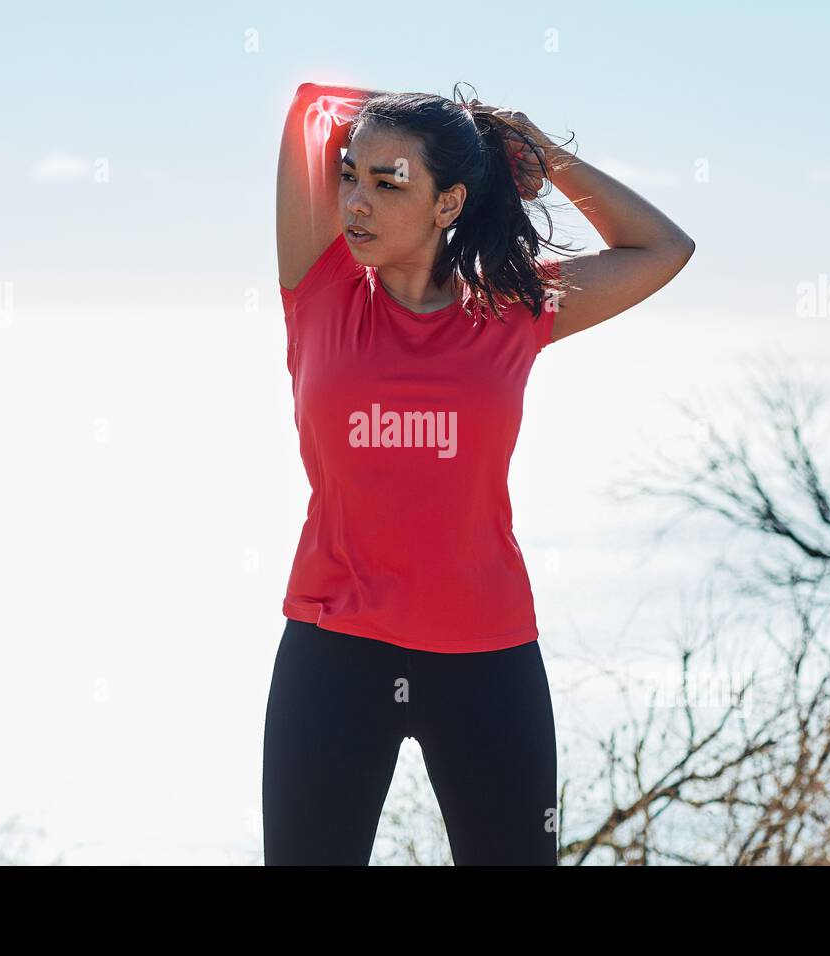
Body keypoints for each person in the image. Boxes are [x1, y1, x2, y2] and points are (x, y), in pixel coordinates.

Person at [265, 81, 695, 865]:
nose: (356, 200)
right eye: (350, 174)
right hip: (333, 653)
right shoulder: (320, 287)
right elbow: (307, 107)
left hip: (486, 656)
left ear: (449, 202)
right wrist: (475, 128)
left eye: (388, 183)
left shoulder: (514, 309)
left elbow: (663, 249)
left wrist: (543, 154)